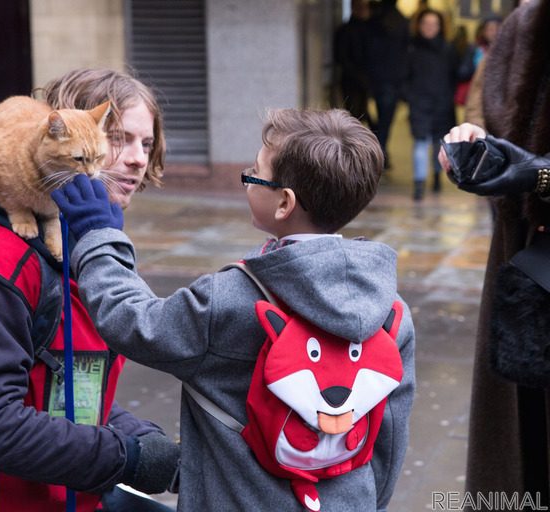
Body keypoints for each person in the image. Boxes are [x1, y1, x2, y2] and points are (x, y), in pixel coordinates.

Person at [52, 108, 416, 511]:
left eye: (254, 172)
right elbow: (389, 438)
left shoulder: (231, 298)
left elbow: (133, 322)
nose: (247, 177)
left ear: (284, 203)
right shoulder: (392, 312)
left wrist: (99, 236)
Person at [0, 68, 180, 511]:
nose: (136, 158)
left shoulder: (78, 251)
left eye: (146, 144)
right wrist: (126, 457)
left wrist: (141, 439)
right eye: (117, 138)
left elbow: (63, 387)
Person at [438, 0, 550, 503]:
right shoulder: (523, 28)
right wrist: (471, 147)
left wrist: (541, 173)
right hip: (524, 268)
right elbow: (482, 119)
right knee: (521, 462)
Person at [401, 8, 458, 200]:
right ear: (418, 26)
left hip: (443, 104)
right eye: (426, 23)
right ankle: (419, 185)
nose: (429, 28)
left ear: (440, 27)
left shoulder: (448, 49)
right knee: (420, 143)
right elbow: (402, 76)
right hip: (419, 103)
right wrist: (410, 96)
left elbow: (455, 76)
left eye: (434, 24)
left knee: (439, 144)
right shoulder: (410, 48)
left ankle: (436, 178)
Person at [362, 0, 410, 170]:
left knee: (381, 119)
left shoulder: (372, 22)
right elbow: (405, 55)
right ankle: (379, 155)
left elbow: (367, 51)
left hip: (377, 78)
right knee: (385, 121)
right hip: (393, 80)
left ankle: (379, 154)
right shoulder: (403, 22)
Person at [333, 0, 372, 124]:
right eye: (360, 7)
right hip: (351, 80)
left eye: (365, 7)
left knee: (362, 113)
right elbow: (341, 56)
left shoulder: (369, 29)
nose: (363, 10)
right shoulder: (345, 30)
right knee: (353, 114)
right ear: (353, 8)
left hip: (365, 78)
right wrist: (358, 74)